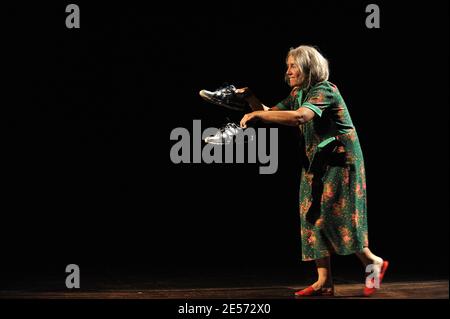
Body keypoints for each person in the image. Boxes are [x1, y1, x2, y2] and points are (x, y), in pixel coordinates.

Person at [237, 45, 388, 297]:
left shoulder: (324, 90)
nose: (288, 71)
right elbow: (269, 114)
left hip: (341, 161)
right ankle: (325, 282)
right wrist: (250, 99)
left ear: (308, 66)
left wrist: (256, 116)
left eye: (293, 65)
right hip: (317, 161)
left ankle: (373, 261)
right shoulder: (299, 93)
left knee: (337, 215)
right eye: (288, 66)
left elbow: (299, 117)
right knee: (312, 213)